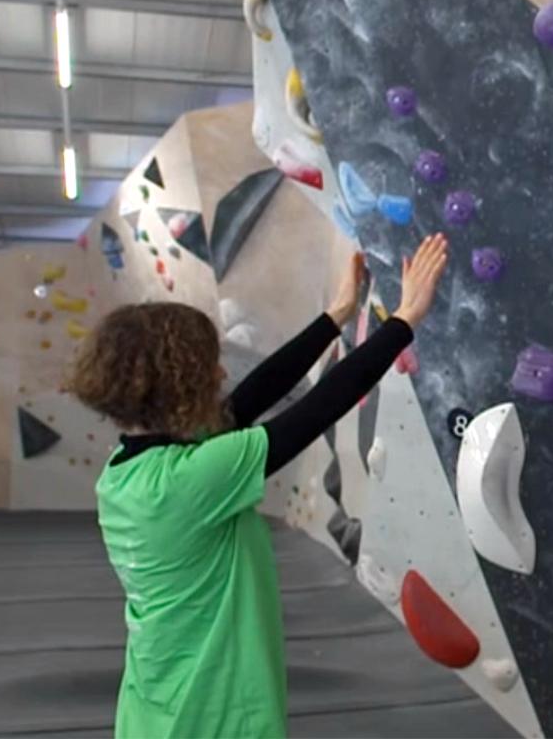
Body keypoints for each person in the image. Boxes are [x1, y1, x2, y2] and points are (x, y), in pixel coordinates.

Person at [72, 234, 450, 738]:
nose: (222, 371)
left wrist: (337, 314)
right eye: (209, 366)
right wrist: (405, 320)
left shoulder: (125, 473)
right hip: (210, 716)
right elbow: (317, 409)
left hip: (154, 711)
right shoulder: (191, 479)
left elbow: (252, 397)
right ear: (181, 387)